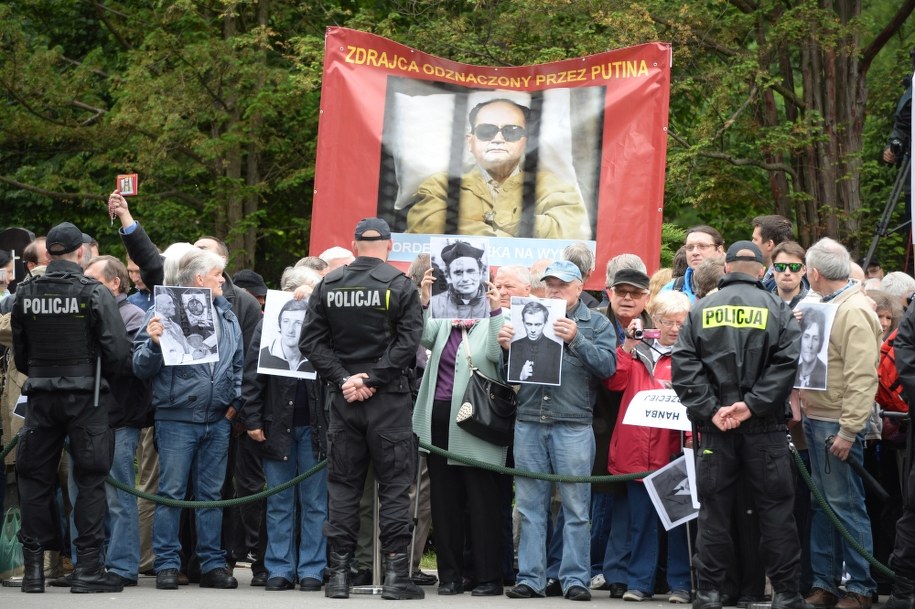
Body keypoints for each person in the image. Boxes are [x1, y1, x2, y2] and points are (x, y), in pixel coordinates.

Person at [670, 240, 807, 609]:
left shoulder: (701, 310)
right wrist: (751, 406)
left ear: (726, 268)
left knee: (714, 511)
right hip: (765, 429)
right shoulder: (777, 308)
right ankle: (787, 593)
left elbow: (683, 367)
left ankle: (710, 592)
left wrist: (713, 409)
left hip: (716, 429)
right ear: (762, 271)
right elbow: (787, 365)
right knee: (776, 510)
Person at [299, 217, 425, 600]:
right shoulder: (401, 286)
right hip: (388, 402)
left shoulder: (328, 285)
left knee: (342, 488)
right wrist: (372, 380)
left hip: (344, 402)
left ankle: (338, 577)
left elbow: (310, 344)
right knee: (395, 488)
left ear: (355, 245)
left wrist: (344, 380)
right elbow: (408, 345)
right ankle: (395, 578)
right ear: (389, 245)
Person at [11, 221, 131, 593]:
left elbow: (21, 354)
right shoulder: (93, 292)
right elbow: (117, 352)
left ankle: (34, 572)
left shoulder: (25, 291)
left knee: (34, 479)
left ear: (48, 253)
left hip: (42, 396)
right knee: (91, 481)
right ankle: (88, 569)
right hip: (86, 397)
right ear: (82, 252)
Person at [500, 260, 615, 601]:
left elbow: (608, 368)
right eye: (549, 284)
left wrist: (577, 339)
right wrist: (506, 350)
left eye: (562, 285)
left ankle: (575, 579)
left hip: (574, 424)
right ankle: (531, 579)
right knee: (529, 505)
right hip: (530, 420)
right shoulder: (524, 316)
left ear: (580, 288)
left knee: (577, 508)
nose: (554, 290)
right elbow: (511, 377)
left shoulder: (596, 323)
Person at [133, 248, 244, 591]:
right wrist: (152, 344)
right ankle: (168, 563)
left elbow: (238, 362)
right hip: (177, 419)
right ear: (199, 279)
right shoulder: (160, 312)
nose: (223, 281)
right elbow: (139, 366)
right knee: (171, 493)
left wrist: (234, 401)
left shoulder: (227, 316)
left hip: (217, 419)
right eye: (217, 275)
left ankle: (211, 564)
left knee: (211, 496)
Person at [412, 267, 506, 596]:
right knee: (445, 504)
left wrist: (494, 312)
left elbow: (496, 356)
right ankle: (450, 576)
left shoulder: (498, 316)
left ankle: (487, 577)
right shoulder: (442, 317)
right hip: (439, 419)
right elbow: (420, 337)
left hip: (478, 420)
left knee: (482, 504)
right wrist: (425, 301)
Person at [800, 238, 881, 609]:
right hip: (817, 417)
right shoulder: (823, 303)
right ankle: (826, 583)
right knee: (824, 505)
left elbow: (863, 375)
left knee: (845, 505)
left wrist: (849, 429)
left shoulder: (854, 310)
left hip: (835, 422)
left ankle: (860, 588)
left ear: (814, 273)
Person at [241, 280, 328, 592]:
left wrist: (314, 292)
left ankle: (312, 570)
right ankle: (279, 568)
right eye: (287, 322)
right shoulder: (265, 333)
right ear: (279, 323)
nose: (294, 328)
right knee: (279, 501)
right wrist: (251, 419)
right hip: (275, 428)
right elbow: (251, 377)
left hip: (316, 430)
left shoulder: (325, 332)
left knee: (315, 503)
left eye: (300, 321)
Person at [606, 290, 692, 603]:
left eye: (681, 323)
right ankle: (639, 583)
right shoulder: (636, 349)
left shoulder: (691, 354)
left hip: (673, 451)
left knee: (678, 522)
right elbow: (614, 382)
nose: (673, 329)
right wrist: (627, 345)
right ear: (654, 320)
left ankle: (681, 584)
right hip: (635, 449)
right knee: (640, 523)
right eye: (667, 322)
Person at [406, 98, 590, 239]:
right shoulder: (441, 185)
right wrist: (507, 239)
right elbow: (428, 225)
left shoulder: (552, 186)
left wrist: (492, 219)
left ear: (526, 143)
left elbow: (560, 231)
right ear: (471, 141)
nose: (498, 139)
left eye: (511, 131)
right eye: (486, 131)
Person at [663, 226, 726, 302]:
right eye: (690, 247)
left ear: (719, 250)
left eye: (702, 246)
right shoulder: (670, 291)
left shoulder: (734, 288)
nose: (695, 252)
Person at [429, 240, 488, 319]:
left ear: (480, 273)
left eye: (470, 271)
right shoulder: (434, 305)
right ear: (449, 277)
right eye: (458, 273)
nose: (465, 279)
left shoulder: (493, 303)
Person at [508, 300, 563, 384]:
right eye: (529, 324)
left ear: (545, 323)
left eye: (537, 325)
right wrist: (521, 376)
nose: (533, 330)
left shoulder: (557, 348)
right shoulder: (514, 345)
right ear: (523, 322)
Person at [258, 298, 314, 373]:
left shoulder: (315, 357)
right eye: (286, 321)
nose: (290, 330)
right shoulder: (263, 355)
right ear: (280, 323)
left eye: (298, 323)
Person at [795, 306, 828, 390]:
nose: (810, 345)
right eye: (806, 337)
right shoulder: (793, 370)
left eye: (815, 338)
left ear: (820, 342)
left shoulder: (825, 373)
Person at [770, 242, 809, 307]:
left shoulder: (814, 304)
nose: (787, 273)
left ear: (804, 270)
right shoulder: (762, 304)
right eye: (780, 266)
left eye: (794, 267)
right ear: (773, 269)